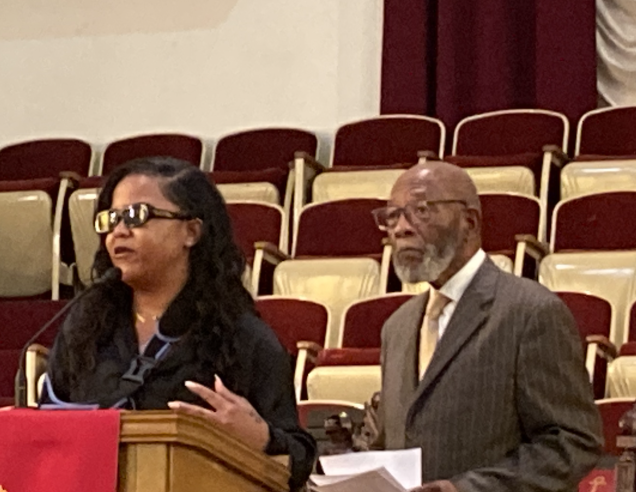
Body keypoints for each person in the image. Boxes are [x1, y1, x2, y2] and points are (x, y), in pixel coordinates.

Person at [40, 156, 316, 490]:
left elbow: (300, 458)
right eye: (111, 219)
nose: (119, 231)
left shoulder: (243, 337)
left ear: (191, 231)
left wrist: (261, 438)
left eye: (136, 216)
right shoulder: (85, 327)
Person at [375, 162, 602, 492]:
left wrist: (468, 489)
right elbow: (393, 442)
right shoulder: (396, 327)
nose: (400, 228)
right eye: (392, 216)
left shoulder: (530, 312)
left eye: (420, 210)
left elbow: (573, 442)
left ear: (470, 222)